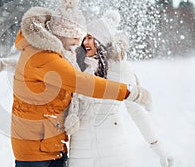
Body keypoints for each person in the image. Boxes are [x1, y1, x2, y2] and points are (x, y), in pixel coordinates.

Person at [0, 0, 151, 167]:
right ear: (61, 33)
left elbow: (43, 73)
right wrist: (130, 92)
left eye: (81, 35)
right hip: (37, 154)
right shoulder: (46, 57)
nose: (79, 41)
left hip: (47, 146)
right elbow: (81, 82)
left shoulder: (48, 52)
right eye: (75, 35)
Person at [65, 10, 174, 167]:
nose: (85, 42)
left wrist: (158, 147)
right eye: (85, 38)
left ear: (101, 41)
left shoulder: (120, 69)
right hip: (81, 154)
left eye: (90, 38)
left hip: (112, 152)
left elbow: (136, 112)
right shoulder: (79, 68)